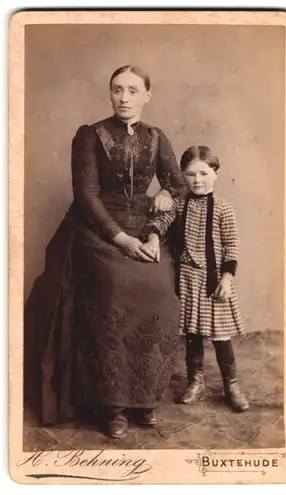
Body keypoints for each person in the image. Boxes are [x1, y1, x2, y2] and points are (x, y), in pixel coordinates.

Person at [24, 65, 186, 439]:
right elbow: (87, 195)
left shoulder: (158, 137)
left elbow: (177, 187)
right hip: (97, 232)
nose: (124, 98)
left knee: (161, 291)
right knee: (113, 288)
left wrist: (154, 230)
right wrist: (121, 239)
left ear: (148, 94)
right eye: (117, 90)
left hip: (145, 232)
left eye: (132, 90)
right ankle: (111, 405)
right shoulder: (90, 135)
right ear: (110, 94)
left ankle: (144, 400)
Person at [142, 145, 250, 412]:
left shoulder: (224, 209)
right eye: (191, 174)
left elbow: (231, 247)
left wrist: (226, 278)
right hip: (188, 281)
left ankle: (232, 385)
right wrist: (154, 237)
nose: (197, 180)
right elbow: (160, 222)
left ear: (216, 174)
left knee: (221, 338)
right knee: (192, 335)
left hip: (214, 282)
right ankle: (196, 382)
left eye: (203, 173)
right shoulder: (180, 205)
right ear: (183, 176)